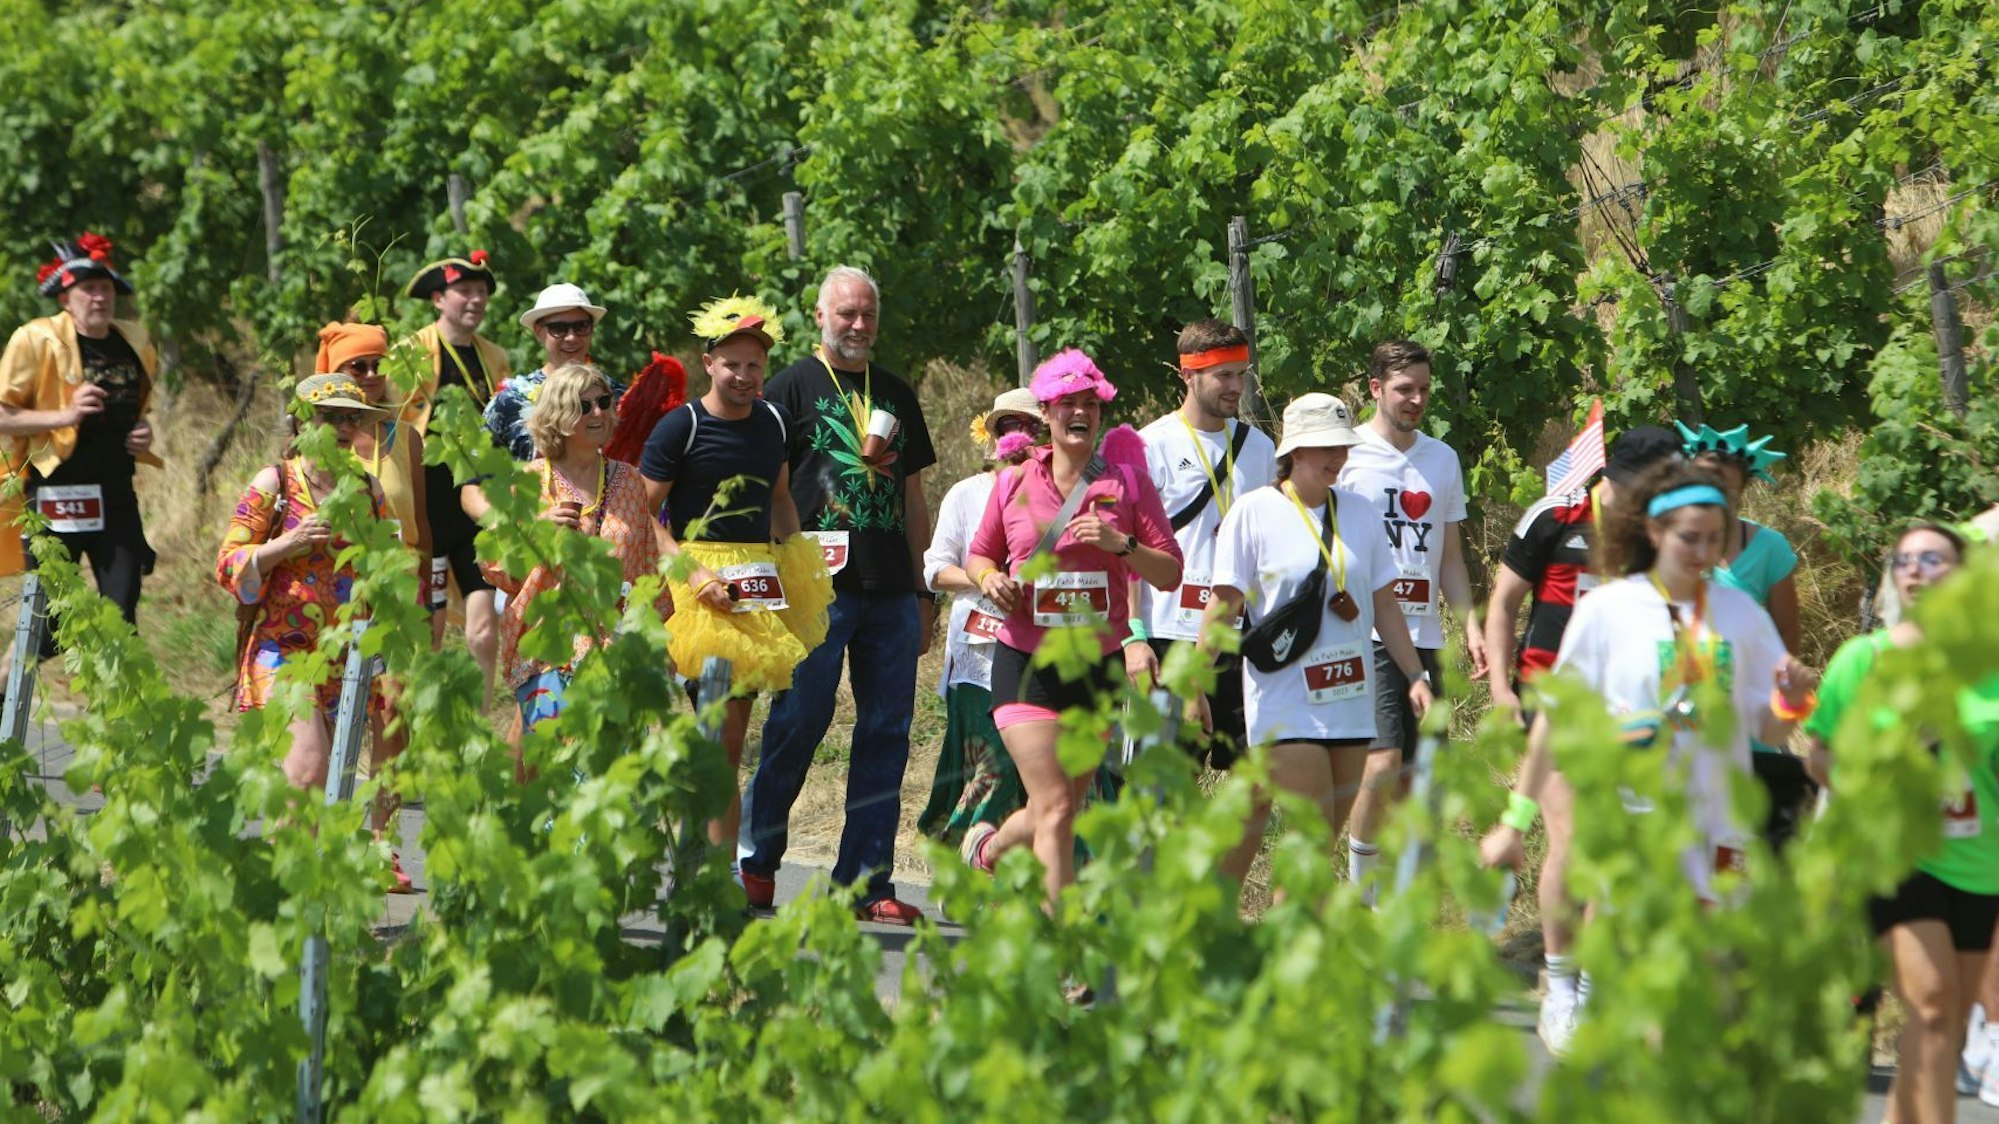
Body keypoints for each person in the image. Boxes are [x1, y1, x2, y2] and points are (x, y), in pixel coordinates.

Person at [1479, 460, 1816, 1055]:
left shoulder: (1740, 615)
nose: (1704, 552)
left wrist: (1792, 700)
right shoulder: (1609, 611)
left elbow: (1766, 724)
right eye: (1690, 537)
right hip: (1632, 825)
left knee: (1705, 990)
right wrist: (1515, 822)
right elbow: (1555, 722)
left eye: (1716, 539)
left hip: (1720, 831)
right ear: (1655, 531)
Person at [738, 266, 938, 925]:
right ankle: (756, 858)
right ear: (819, 316)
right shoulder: (787, 389)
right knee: (799, 720)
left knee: (886, 731)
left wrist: (922, 586)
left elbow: (912, 498)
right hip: (812, 589)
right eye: (845, 314)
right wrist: (774, 575)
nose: (857, 326)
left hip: (888, 593)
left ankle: (864, 880)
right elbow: (767, 492)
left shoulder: (898, 395)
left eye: (866, 316)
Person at [960, 349, 1183, 914]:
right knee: (1057, 805)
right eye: (1068, 405)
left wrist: (1123, 545)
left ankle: (988, 850)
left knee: (1053, 806)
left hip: (1098, 663)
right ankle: (1067, 942)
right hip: (1026, 662)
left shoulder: (1127, 482)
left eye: (1091, 405)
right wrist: (990, 583)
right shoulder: (1012, 483)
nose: (1080, 413)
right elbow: (979, 556)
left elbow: (1172, 570)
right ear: (1047, 414)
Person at [1481, 424, 1680, 1031]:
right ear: (1622, 475)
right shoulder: (1557, 515)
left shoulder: (1660, 536)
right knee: (1574, 841)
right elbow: (1503, 604)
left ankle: (1594, 983)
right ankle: (1563, 986)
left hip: (1628, 712)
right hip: (1551, 700)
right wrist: (1497, 690)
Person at [1198, 393, 1433, 894]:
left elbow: (1386, 608)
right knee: (1310, 830)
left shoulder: (1361, 512)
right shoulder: (1254, 511)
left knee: (1316, 849)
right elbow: (1223, 606)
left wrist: (1416, 676)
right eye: (1325, 446)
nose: (1338, 457)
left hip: (1350, 700)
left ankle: (1264, 941)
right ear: (1295, 451)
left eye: (1343, 446)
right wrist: (1193, 682)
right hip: (1285, 703)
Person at [1806, 523, 1996, 1124]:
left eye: (1932, 559)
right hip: (1893, 854)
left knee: (1938, 1026)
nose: (1915, 570)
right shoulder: (1863, 658)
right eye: (1905, 560)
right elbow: (1820, 754)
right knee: (1935, 1005)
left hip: (1979, 860)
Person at [640, 296, 830, 865]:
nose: (745, 376)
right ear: (709, 363)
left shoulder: (774, 420)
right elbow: (644, 515)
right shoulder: (682, 426)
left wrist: (798, 559)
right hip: (695, 586)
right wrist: (693, 575)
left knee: (728, 740)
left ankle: (713, 871)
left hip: (756, 583)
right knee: (715, 735)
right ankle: (702, 864)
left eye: (754, 366)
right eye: (733, 364)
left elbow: (778, 499)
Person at [1337, 341, 1484, 894]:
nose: (1416, 399)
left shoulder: (1441, 459)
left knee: (1417, 778)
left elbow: (1449, 557)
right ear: (1375, 389)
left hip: (1424, 634)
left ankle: (1402, 898)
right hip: (1364, 634)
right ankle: (1361, 889)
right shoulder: (1345, 454)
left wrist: (1468, 624)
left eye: (1424, 389)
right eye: (1404, 389)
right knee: (1381, 763)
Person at [482, 364, 668, 770]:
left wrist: (651, 644)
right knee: (557, 776)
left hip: (615, 650)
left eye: (604, 402)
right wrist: (535, 530)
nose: (599, 413)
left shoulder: (630, 481)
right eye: (584, 406)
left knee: (612, 777)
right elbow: (496, 567)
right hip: (548, 650)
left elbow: (646, 570)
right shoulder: (530, 482)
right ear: (559, 417)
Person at [216, 374, 390, 792]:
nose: (346, 428)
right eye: (331, 417)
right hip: (283, 651)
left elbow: (387, 566)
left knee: (321, 788)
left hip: (344, 656)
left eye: (353, 418)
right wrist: (287, 543)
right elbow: (227, 564)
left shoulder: (368, 489)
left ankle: (293, 857)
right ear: (302, 423)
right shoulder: (275, 482)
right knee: (309, 769)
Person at [0, 234, 163, 656]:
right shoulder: (35, 339)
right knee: (52, 619)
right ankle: (5, 687)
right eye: (87, 289)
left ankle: (115, 716)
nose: (98, 297)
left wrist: (144, 432)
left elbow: (139, 409)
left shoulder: (135, 340)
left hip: (115, 493)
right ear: (66, 299)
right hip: (57, 491)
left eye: (106, 288)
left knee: (121, 615)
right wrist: (64, 416)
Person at [1134, 319, 1279, 769]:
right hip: (1169, 633)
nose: (1236, 386)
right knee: (1168, 785)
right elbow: (1126, 554)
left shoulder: (1260, 448)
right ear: (1188, 374)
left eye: (1242, 373)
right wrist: (1133, 639)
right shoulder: (1150, 445)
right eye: (1223, 375)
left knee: (1253, 780)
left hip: (1240, 635)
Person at [1677, 421, 1812, 848]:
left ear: (1742, 491)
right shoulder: (1664, 548)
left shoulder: (1769, 548)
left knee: (1742, 844)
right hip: (1679, 715)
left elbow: (1786, 641)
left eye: (1725, 489)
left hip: (1748, 721)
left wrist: (1774, 704)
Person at [918, 387, 1043, 844]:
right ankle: (964, 850)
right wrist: (986, 577)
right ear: (993, 436)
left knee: (1042, 769)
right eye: (1008, 427)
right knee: (992, 760)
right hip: (978, 655)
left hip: (1041, 649)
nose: (1019, 438)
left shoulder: (1058, 496)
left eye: (1030, 427)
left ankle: (1014, 863)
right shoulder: (967, 494)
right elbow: (935, 567)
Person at [397, 251, 511, 696]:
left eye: (482, 292)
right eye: (465, 291)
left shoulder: (495, 356)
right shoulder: (409, 353)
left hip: (476, 504)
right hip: (424, 504)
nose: (476, 300)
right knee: (429, 628)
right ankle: (420, 716)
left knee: (485, 629)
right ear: (439, 299)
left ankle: (480, 718)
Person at [485, 283, 619, 461]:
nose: (571, 337)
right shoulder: (509, 402)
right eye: (559, 328)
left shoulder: (614, 397)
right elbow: (477, 479)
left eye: (581, 326)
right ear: (539, 332)